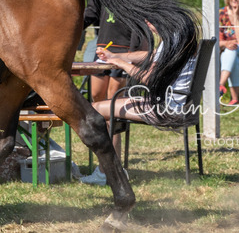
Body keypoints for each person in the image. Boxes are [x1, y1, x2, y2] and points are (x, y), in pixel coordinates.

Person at [83, 39, 197, 186]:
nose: (148, 23)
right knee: (107, 108)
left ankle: (108, 172)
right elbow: (152, 56)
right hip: (177, 104)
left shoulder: (173, 40)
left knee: (96, 109)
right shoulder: (179, 37)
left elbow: (150, 79)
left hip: (164, 109)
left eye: (150, 19)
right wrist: (116, 57)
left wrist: (121, 64)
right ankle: (112, 170)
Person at [84, 0, 149, 104]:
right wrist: (76, 26)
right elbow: (91, 11)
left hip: (125, 50)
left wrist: (134, 52)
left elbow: (142, 21)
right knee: (97, 95)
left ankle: (115, 130)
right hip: (102, 48)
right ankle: (102, 130)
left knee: (115, 99)